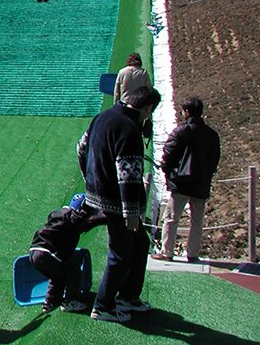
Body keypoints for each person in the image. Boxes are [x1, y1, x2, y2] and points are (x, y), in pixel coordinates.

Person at [77, 85, 161, 323]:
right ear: (148, 107)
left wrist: (91, 180)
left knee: (139, 244)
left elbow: (81, 148)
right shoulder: (129, 129)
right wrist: (131, 212)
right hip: (118, 203)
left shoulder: (102, 117)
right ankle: (103, 305)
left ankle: (128, 296)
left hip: (99, 195)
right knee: (121, 253)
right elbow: (129, 175)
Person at [154, 97, 221, 262]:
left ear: (187, 112)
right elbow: (215, 159)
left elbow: (168, 155)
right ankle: (192, 253)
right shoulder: (211, 135)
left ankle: (167, 251)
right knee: (197, 221)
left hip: (181, 182)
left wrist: (168, 172)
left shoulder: (180, 131)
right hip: (201, 183)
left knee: (171, 218)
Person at [29, 193, 106, 313]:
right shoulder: (71, 217)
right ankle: (69, 301)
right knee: (73, 271)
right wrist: (107, 215)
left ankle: (50, 302)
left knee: (57, 276)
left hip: (35, 252)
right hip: (46, 253)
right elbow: (87, 220)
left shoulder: (59, 217)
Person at [114, 52, 154, 138]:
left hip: (124, 108)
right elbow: (150, 91)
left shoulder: (122, 72)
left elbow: (117, 93)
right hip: (138, 108)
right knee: (136, 133)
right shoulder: (143, 73)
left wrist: (115, 107)